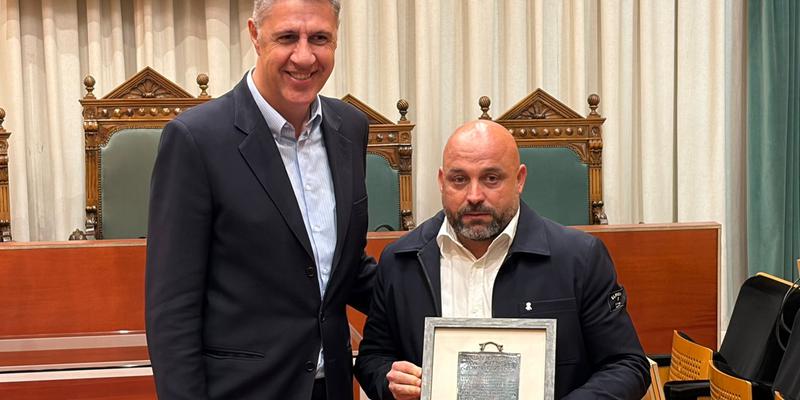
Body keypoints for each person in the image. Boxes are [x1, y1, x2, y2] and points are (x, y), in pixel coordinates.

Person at [145, 1, 376, 399]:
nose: (304, 56)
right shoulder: (196, 139)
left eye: (319, 38)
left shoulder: (350, 128)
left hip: (334, 387)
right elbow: (173, 309)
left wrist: (442, 291)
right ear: (255, 34)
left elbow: (343, 269)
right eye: (287, 37)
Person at [354, 120, 650, 399]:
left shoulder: (579, 258)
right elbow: (373, 358)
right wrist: (390, 381)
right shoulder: (400, 261)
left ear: (520, 179)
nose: (474, 195)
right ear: (442, 182)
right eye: (459, 179)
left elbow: (627, 365)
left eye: (491, 178)